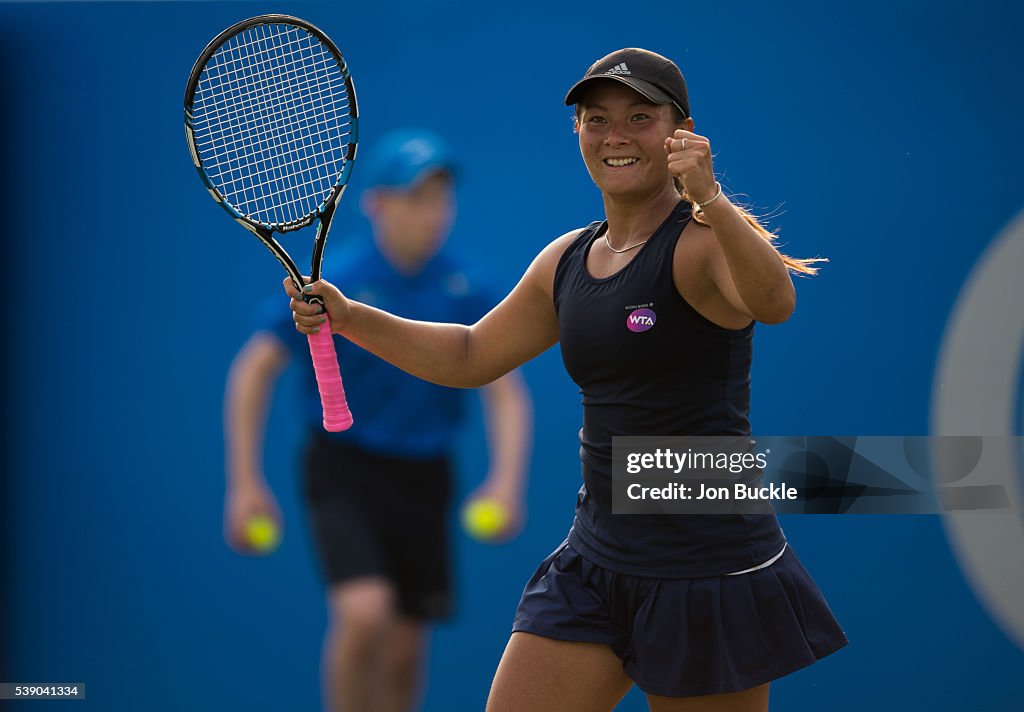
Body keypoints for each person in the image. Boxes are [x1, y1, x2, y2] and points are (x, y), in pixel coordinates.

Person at [287, 49, 847, 712]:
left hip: (707, 568)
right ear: (577, 132)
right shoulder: (568, 259)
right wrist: (351, 318)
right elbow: (471, 355)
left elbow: (773, 303)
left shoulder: (703, 240)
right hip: (595, 563)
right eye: (596, 119)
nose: (615, 135)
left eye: (640, 117)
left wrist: (713, 200)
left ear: (681, 131)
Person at [224, 129, 533, 712]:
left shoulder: (467, 284)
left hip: (424, 473)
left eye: (441, 197)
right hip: (345, 468)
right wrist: (245, 484)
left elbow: (505, 392)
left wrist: (506, 479)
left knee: (405, 648)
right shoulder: (331, 281)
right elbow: (252, 371)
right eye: (416, 197)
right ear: (377, 205)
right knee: (365, 613)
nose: (433, 213)